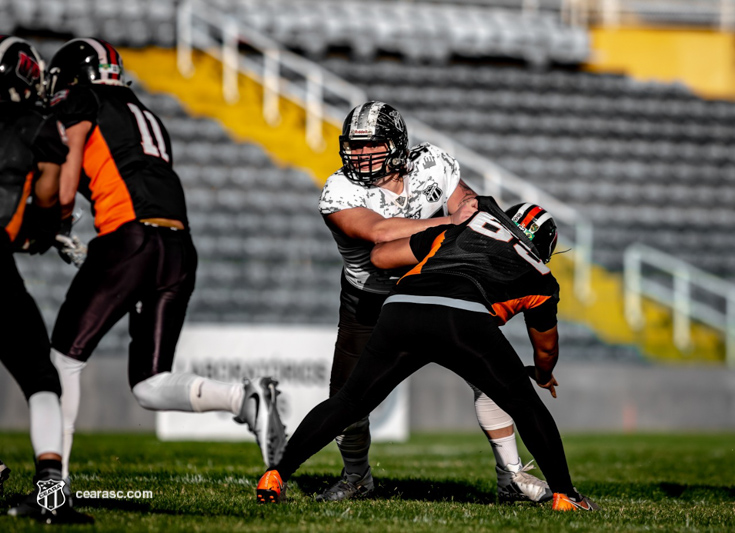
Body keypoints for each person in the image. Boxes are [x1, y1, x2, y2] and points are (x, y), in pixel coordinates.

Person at [44, 38, 287, 482]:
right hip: (178, 248)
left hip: (130, 239)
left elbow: (70, 170)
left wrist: (58, 222)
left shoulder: (83, 98)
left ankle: (52, 484)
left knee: (63, 359)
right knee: (149, 385)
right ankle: (243, 399)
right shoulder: (146, 115)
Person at [256, 197, 599, 512]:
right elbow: (547, 348)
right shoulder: (540, 275)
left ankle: (276, 475)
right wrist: (542, 373)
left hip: (401, 308)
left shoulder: (457, 232)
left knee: (349, 401)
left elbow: (380, 257)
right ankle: (565, 494)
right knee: (525, 406)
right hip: (461, 319)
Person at [316, 101, 550, 503]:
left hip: (428, 289)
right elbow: (380, 233)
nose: (361, 154)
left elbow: (468, 204)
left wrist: (468, 215)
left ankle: (510, 476)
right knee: (347, 400)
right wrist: (450, 222)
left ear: (397, 144)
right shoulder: (339, 189)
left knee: (490, 379)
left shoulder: (432, 163)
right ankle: (356, 476)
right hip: (368, 302)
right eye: (354, 146)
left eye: (372, 145)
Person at [0, 35, 93, 524]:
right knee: (40, 378)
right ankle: (51, 491)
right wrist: (46, 232)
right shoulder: (37, 128)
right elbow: (49, 203)